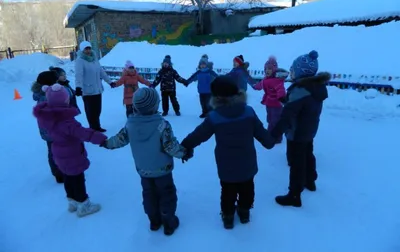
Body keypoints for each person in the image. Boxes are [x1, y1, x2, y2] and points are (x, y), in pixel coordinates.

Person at [180, 76, 275, 229]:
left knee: (228, 191)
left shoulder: (215, 117)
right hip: (247, 163)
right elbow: (263, 135)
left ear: (216, 96)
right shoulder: (249, 112)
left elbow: (199, 135)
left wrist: (185, 146)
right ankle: (244, 213)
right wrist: (270, 141)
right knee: (247, 188)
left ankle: (228, 216)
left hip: (226, 165)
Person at [101, 88, 192, 235]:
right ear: (155, 105)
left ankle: (154, 221)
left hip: (144, 170)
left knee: (149, 193)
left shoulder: (130, 124)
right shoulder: (162, 125)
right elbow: (170, 146)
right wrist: (184, 153)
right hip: (163, 169)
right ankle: (168, 221)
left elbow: (119, 140)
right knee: (166, 194)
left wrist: (106, 143)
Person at [33, 84, 107, 217]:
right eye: (67, 99)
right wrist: (101, 139)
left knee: (68, 177)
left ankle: (72, 201)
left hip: (59, 153)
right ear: (64, 102)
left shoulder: (49, 118)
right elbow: (83, 133)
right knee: (78, 179)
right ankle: (83, 205)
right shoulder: (67, 122)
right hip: (72, 154)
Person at [270, 50, 331, 207]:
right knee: (308, 154)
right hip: (309, 129)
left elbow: (287, 116)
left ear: (300, 71)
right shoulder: (316, 87)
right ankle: (310, 181)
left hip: (297, 131)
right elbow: (304, 106)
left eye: (293, 69)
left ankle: (294, 195)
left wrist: (274, 133)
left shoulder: (300, 90)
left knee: (296, 162)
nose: (291, 72)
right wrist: (288, 100)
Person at [74, 41, 116, 132]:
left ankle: (97, 126)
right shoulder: (80, 60)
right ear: (82, 50)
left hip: (97, 89)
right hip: (87, 90)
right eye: (86, 49)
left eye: (89, 48)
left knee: (97, 110)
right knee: (90, 111)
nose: (88, 50)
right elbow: (79, 75)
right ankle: (93, 128)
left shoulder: (94, 58)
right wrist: (78, 87)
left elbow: (101, 71)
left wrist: (110, 82)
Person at [31, 70, 63, 183]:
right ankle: (59, 173)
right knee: (56, 151)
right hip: (53, 129)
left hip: (46, 129)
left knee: (52, 150)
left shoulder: (42, 94)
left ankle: (58, 172)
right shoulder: (47, 97)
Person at [252, 56, 288, 143]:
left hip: (277, 104)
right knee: (270, 119)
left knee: (275, 121)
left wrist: (282, 98)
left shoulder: (277, 81)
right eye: (266, 69)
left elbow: (281, 90)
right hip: (269, 103)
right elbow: (260, 85)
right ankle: (271, 133)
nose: (267, 70)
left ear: (274, 70)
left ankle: (276, 137)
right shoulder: (265, 79)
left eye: (269, 69)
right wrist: (255, 86)